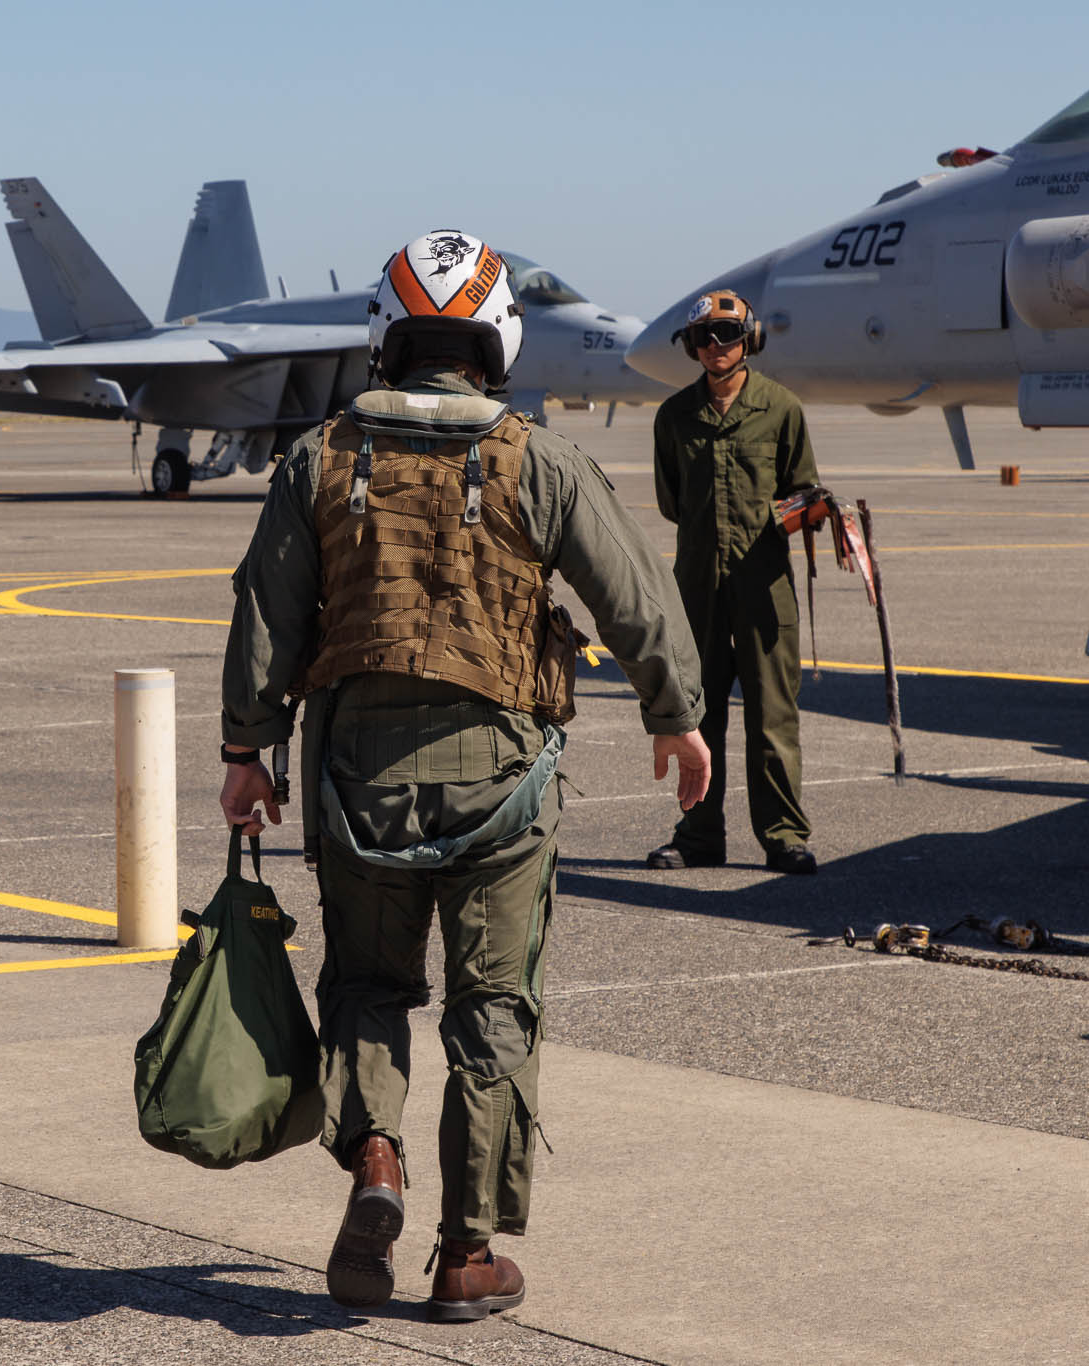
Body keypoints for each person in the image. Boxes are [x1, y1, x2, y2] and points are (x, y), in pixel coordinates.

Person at [219, 231, 710, 1322]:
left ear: (385, 336)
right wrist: (675, 722)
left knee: (364, 986)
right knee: (491, 1007)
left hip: (356, 775)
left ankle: (376, 1164)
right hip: (501, 780)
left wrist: (244, 752)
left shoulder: (319, 459)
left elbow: (265, 617)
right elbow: (633, 598)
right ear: (497, 338)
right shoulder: (537, 457)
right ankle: (465, 1253)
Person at [647, 289, 821, 876]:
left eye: (725, 335)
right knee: (699, 716)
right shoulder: (673, 417)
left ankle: (784, 836)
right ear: (692, 347)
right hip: (696, 589)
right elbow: (673, 503)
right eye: (703, 338)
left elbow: (802, 488)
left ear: (750, 339)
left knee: (773, 718)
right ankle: (699, 838)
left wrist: (807, 512)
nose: (714, 347)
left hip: (764, 590)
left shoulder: (782, 409)